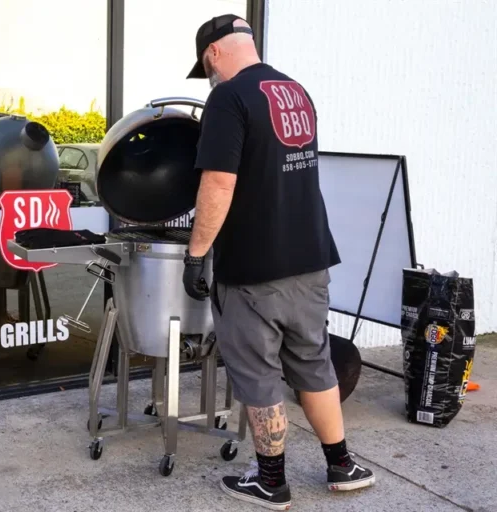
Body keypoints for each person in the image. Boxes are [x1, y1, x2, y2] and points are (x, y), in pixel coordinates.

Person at [181, 14, 375, 511]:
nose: (209, 77)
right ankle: (342, 465)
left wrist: (197, 254)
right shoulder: (295, 92)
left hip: (254, 266)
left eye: (206, 68)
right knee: (313, 360)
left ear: (213, 54)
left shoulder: (228, 97)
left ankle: (270, 480)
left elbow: (218, 184)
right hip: (310, 257)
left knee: (258, 371)